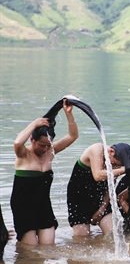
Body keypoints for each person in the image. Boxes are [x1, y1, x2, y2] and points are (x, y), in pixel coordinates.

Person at [10, 100, 78, 245]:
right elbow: (17, 143)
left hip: (43, 206)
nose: (46, 149)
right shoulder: (23, 154)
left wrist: (69, 114)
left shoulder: (50, 152)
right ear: (32, 139)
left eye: (49, 145)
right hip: (23, 207)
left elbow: (72, 137)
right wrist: (34, 124)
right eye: (42, 145)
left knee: (48, 247)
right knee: (30, 250)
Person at [67, 143, 130, 236]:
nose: (114, 166)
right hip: (79, 198)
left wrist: (101, 210)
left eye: (117, 165)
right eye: (114, 163)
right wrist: (126, 170)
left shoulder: (115, 161)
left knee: (113, 234)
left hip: (100, 196)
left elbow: (110, 187)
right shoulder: (97, 149)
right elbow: (98, 175)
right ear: (111, 152)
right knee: (82, 240)